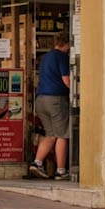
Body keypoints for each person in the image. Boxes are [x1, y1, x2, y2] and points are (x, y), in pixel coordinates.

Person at [29, 31, 72, 180]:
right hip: (56, 100)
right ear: (68, 44)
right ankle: (61, 171)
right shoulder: (62, 57)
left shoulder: (46, 56)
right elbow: (66, 80)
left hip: (41, 100)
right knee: (62, 135)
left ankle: (37, 162)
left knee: (51, 134)